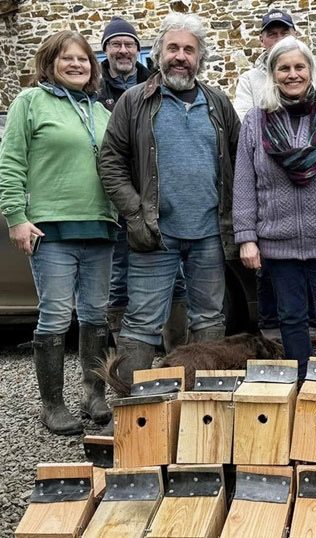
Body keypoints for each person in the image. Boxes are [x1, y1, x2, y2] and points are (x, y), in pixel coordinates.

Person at [100, 13, 241, 387]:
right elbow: (110, 161)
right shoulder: (134, 101)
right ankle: (132, 403)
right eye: (173, 48)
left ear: (200, 57)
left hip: (209, 233)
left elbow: (240, 158)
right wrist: (135, 213)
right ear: (159, 53)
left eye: (189, 50)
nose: (180, 56)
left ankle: (202, 400)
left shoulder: (218, 103)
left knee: (210, 317)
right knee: (143, 321)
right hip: (154, 234)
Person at [0, 31, 116, 434]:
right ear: (50, 63)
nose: (76, 65)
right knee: (54, 315)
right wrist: (16, 217)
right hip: (50, 228)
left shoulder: (100, 111)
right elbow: (11, 161)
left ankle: (93, 394)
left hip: (100, 226)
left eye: (83, 59)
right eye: (67, 58)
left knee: (95, 314)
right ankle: (52, 404)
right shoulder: (29, 102)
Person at [233, 36, 316, 380]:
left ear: (311, 70)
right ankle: (300, 384)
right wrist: (247, 237)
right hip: (278, 242)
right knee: (290, 317)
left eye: (300, 66)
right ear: (273, 74)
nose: (292, 74)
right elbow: (244, 181)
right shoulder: (256, 120)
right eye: (284, 68)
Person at [97, 17, 188, 351]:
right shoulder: (95, 90)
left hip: (160, 201)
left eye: (129, 44)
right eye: (116, 44)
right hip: (121, 201)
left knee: (176, 277)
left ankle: (175, 351)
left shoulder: (156, 82)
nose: (123, 50)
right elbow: (110, 155)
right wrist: (130, 204)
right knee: (120, 277)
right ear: (105, 50)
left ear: (139, 50)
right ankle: (124, 353)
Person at [233, 7, 299, 342]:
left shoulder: (309, 71)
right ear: (262, 40)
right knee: (270, 278)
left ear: (294, 35)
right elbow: (246, 124)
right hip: (268, 188)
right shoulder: (249, 80)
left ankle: (309, 346)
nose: (278, 38)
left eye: (283, 32)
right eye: (271, 33)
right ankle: (272, 346)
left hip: (306, 188)